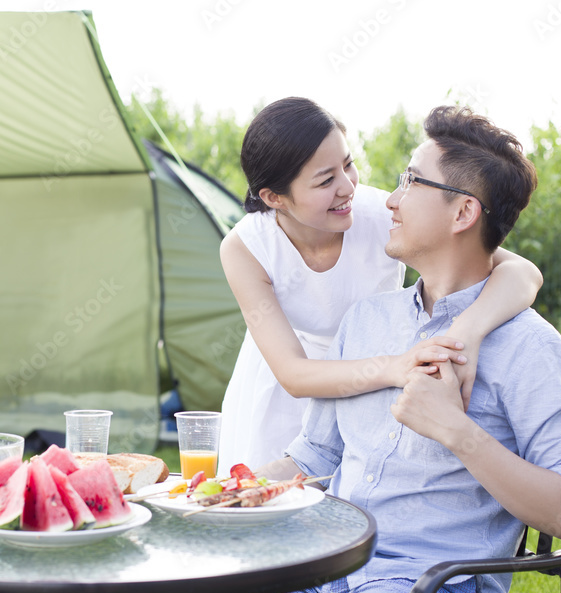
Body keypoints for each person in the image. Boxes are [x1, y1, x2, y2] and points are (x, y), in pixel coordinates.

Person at [104, 105, 561, 593]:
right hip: (326, 571)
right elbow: (314, 456)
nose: (386, 198)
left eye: (410, 181)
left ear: (464, 212)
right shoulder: (367, 323)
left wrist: (458, 432)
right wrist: (189, 494)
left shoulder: (531, 349)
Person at [217, 97, 544, 474]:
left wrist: (467, 331)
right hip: (283, 397)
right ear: (275, 198)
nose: (347, 187)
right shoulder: (248, 247)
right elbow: (293, 374)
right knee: (263, 505)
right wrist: (397, 367)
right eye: (326, 180)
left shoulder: (379, 215)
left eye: (348, 165)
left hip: (371, 393)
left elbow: (523, 274)